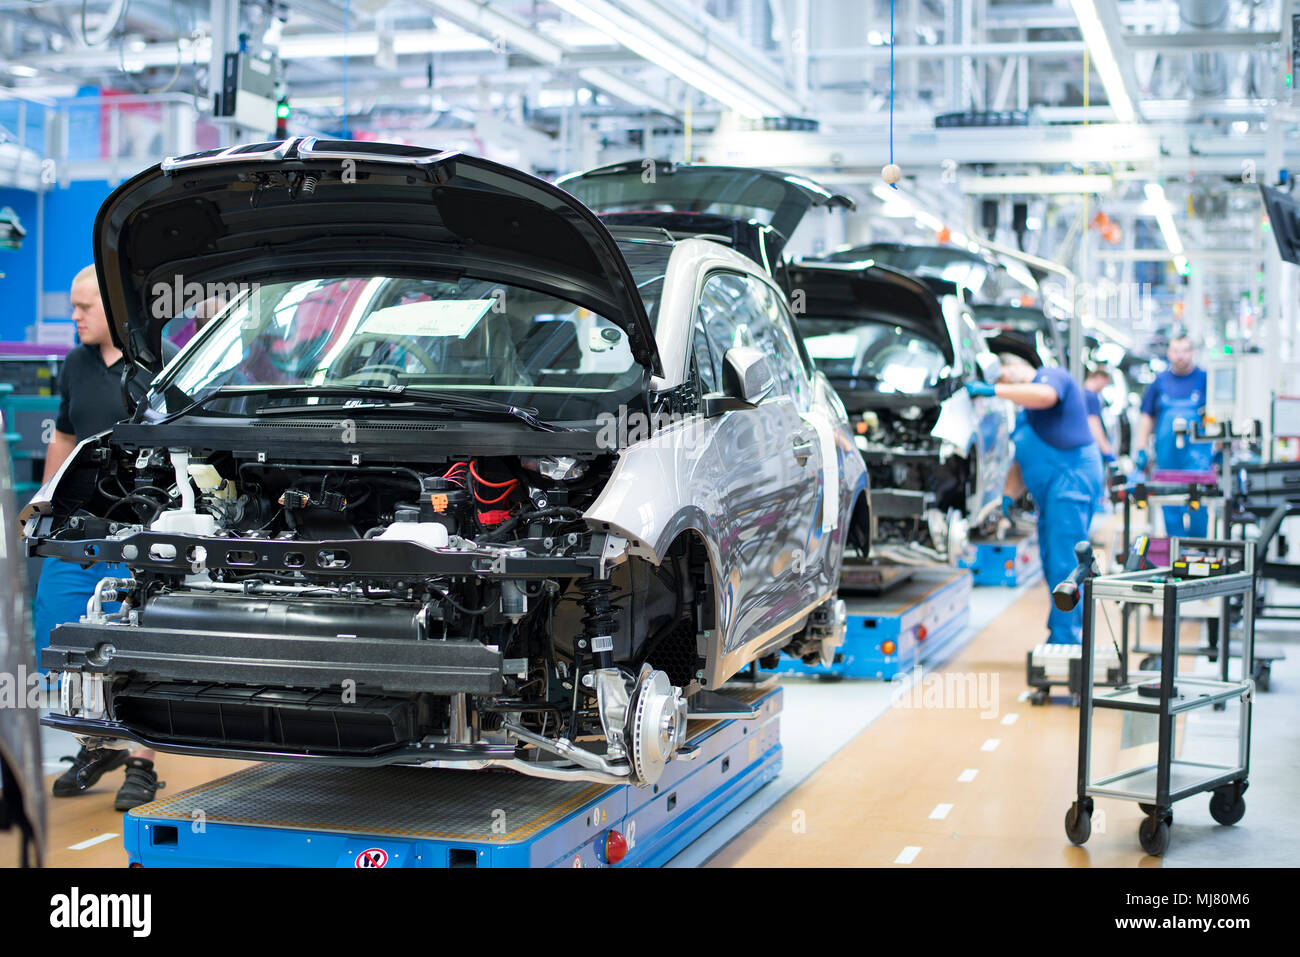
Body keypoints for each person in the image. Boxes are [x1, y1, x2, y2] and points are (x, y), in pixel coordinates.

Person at [35, 264, 165, 810]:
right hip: (78, 531)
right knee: (59, 633)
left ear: (113, 311)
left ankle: (140, 762)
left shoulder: (156, 367)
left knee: (140, 643)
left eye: (83, 308)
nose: (74, 317)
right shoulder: (74, 364)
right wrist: (44, 506)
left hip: (139, 530)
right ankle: (96, 744)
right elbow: (63, 438)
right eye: (71, 306)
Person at [968, 354, 1104, 644]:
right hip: (1051, 495)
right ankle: (1063, 627)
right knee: (1050, 559)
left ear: (1016, 366)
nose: (1003, 385)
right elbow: (1020, 460)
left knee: (1065, 561)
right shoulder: (1024, 415)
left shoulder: (1051, 376)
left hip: (1071, 481)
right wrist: (1007, 495)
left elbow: (1044, 396)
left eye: (1003, 377)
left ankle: (1067, 636)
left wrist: (994, 391)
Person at [1133, 335, 1212, 537]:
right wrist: (1141, 448)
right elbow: (1146, 417)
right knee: (1169, 504)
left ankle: (1199, 552)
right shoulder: (1159, 382)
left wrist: (1219, 448)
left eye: (1185, 351)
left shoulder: (1205, 379)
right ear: (1169, 353)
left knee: (1199, 503)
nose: (1180, 356)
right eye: (1176, 351)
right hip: (1167, 456)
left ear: (1192, 352)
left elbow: (1215, 415)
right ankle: (1177, 554)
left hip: (1197, 458)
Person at [1083, 366, 1115, 463]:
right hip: (1091, 448)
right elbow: (1094, 425)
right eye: (1105, 384)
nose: (1103, 387)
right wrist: (1106, 451)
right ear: (1099, 377)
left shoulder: (1083, 394)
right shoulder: (1091, 397)